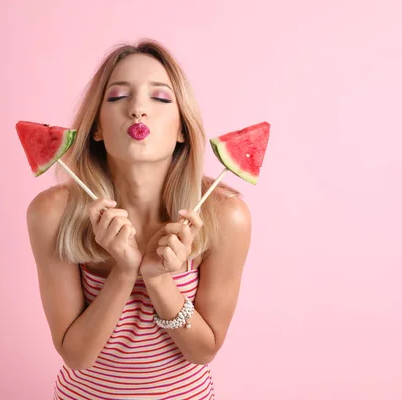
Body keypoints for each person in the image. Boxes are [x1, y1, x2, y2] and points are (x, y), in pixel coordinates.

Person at [26, 39, 252, 399]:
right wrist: (124, 271)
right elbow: (76, 355)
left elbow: (203, 351)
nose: (138, 110)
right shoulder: (53, 213)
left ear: (182, 129)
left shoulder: (225, 215)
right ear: (96, 127)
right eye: (117, 97)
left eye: (160, 98)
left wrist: (159, 279)